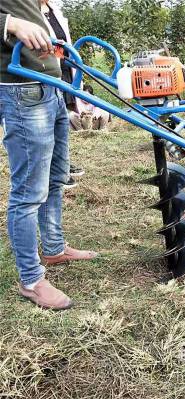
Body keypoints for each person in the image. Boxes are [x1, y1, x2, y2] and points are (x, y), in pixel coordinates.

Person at [0, 0, 98, 310]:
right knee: (28, 193)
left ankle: (54, 248)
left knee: (57, 178)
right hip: (21, 91)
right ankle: (30, 280)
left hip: (52, 88)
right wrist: (12, 24)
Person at [41, 0, 84, 189]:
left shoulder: (53, 9)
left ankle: (63, 163)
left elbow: (63, 40)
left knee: (62, 120)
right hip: (46, 72)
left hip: (65, 68)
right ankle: (55, 170)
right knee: (49, 123)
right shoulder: (29, 9)